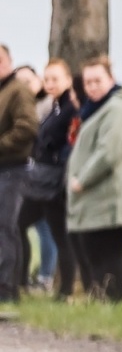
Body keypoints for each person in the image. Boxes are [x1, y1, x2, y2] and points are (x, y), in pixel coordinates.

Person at [65, 56, 122, 301]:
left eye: (97, 80)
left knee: (108, 252)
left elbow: (108, 152)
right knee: (94, 248)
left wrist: (82, 179)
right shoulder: (99, 108)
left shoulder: (115, 109)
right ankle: (101, 298)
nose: (92, 86)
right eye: (88, 82)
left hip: (112, 195)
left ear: (111, 80)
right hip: (102, 194)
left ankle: (111, 301)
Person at [18, 59, 77, 294]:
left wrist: (57, 160)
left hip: (55, 183)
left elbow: (70, 144)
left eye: (55, 79)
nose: (50, 83)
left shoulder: (71, 108)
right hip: (39, 182)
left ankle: (65, 290)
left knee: (61, 237)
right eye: (47, 79)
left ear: (68, 81)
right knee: (17, 225)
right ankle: (19, 280)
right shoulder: (55, 107)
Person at [0, 44, 40, 302]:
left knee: (5, 228)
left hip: (13, 170)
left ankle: (7, 289)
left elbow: (27, 128)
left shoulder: (18, 91)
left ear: (8, 61)